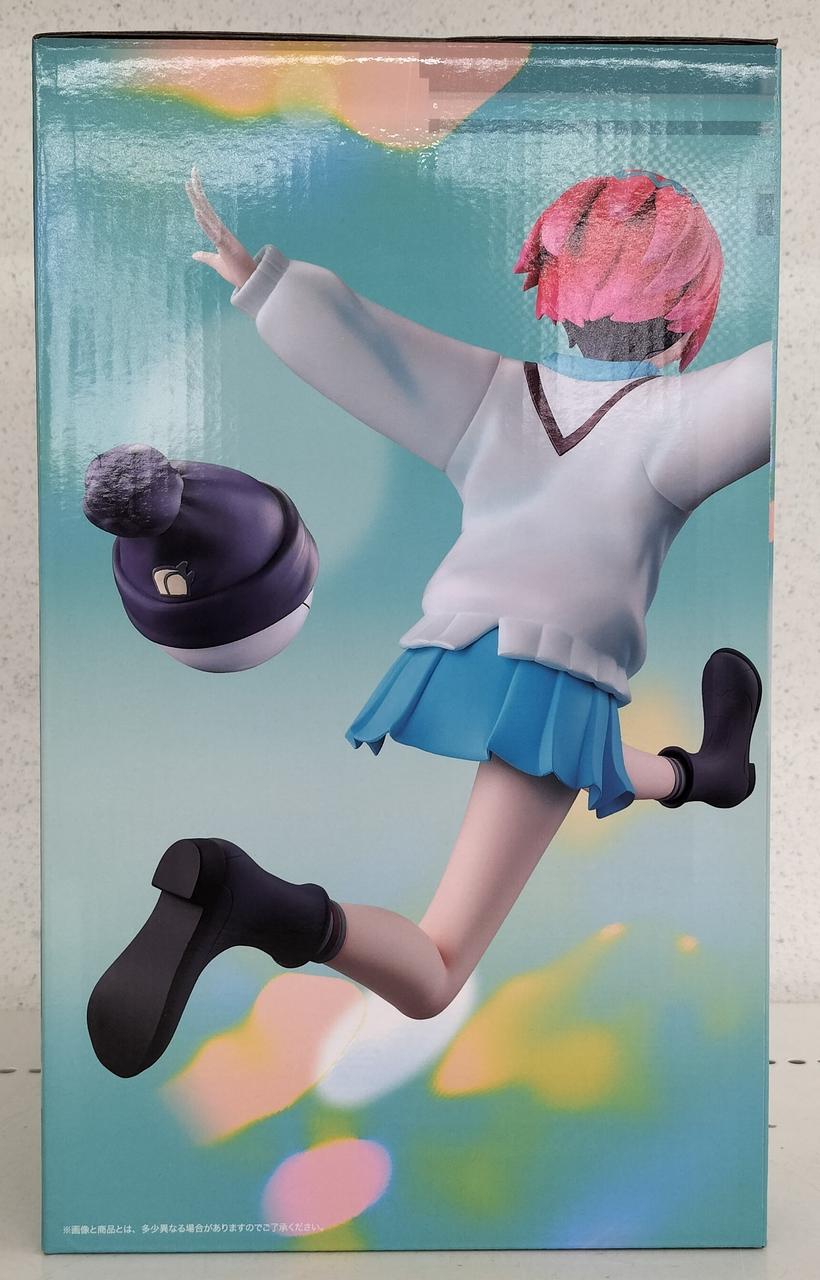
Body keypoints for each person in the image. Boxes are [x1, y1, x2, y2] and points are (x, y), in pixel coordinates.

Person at [87, 168, 770, 1078]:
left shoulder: (495, 393)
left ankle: (707, 772)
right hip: (553, 677)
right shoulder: (676, 424)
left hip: (455, 651)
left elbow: (375, 353)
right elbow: (779, 381)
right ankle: (255, 904)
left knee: (584, 758)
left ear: (552, 287)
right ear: (687, 309)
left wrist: (263, 284)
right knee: (438, 971)